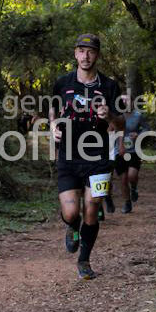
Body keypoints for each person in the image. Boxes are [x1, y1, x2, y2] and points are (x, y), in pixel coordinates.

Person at [49, 34, 124, 280]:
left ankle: (84, 260)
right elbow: (53, 111)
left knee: (92, 209)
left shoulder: (110, 86)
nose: (86, 56)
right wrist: (52, 127)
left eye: (90, 51)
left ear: (97, 54)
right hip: (69, 156)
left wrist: (110, 116)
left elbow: (122, 123)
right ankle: (72, 227)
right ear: (75, 54)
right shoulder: (62, 83)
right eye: (81, 50)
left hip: (98, 156)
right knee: (72, 213)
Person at [115, 94, 150, 213]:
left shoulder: (138, 115)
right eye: (122, 100)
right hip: (119, 151)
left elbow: (147, 129)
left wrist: (138, 134)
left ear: (132, 102)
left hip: (134, 150)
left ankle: (134, 188)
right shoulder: (116, 116)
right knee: (123, 179)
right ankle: (127, 203)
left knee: (131, 176)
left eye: (127, 100)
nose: (125, 102)